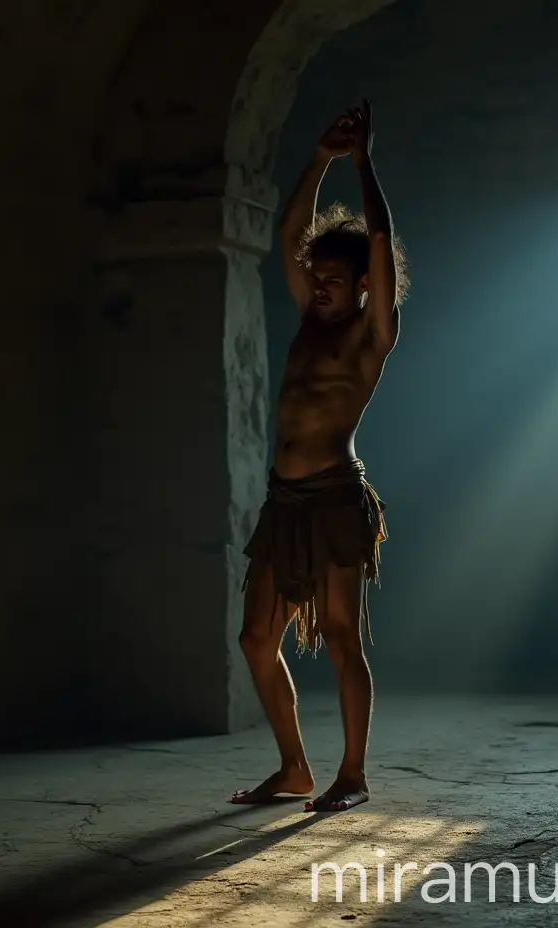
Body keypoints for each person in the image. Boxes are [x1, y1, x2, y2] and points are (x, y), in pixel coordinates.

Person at [230, 101, 408, 813]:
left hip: (335, 497)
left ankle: (353, 775)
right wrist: (320, 157)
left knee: (339, 635)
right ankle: (295, 767)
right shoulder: (308, 316)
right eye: (319, 275)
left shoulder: (372, 336)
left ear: (362, 281)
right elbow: (287, 234)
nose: (324, 282)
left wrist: (364, 163)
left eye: (339, 275)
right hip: (284, 500)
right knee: (253, 637)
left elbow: (383, 241)